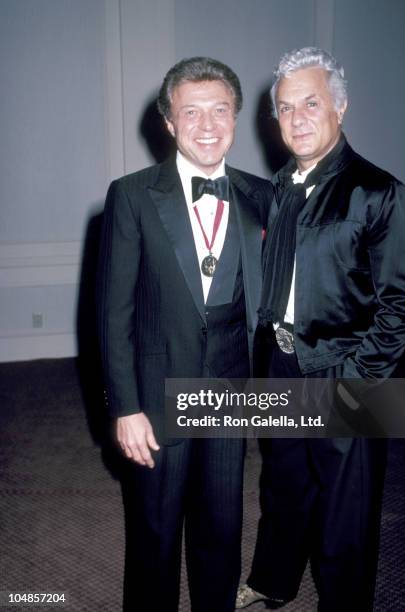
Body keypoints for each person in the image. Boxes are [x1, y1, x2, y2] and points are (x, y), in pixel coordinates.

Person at [236, 47, 405, 611]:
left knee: (348, 509)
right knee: (283, 484)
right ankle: (271, 581)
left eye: (310, 103)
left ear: (340, 107)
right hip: (283, 363)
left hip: (352, 370)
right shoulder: (279, 188)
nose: (297, 118)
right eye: (285, 108)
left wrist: (360, 380)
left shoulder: (381, 192)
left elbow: (404, 304)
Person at [97, 57, 272, 612]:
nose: (207, 124)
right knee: (154, 537)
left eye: (220, 110)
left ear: (236, 117)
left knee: (221, 535)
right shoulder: (131, 195)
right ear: (168, 123)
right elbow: (112, 313)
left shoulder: (260, 195)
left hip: (228, 395)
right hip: (154, 397)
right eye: (189, 112)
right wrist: (125, 406)